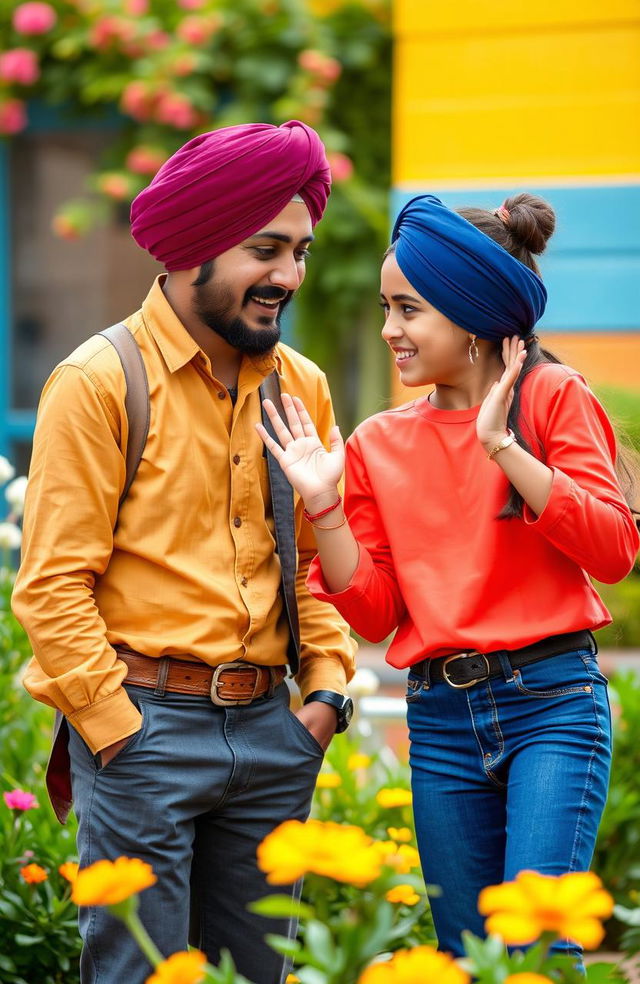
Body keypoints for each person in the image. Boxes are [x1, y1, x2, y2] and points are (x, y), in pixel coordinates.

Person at [12, 120, 356, 984]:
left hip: (275, 734)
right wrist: (118, 733)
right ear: (194, 249)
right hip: (143, 733)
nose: (289, 276)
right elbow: (53, 586)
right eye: (266, 250)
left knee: (258, 975)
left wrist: (324, 695)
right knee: (138, 975)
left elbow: (315, 565)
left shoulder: (302, 386)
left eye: (301, 252)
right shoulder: (99, 382)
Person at [256, 192, 640, 965]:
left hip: (551, 707)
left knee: (534, 946)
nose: (390, 330)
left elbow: (613, 550)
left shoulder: (553, 398)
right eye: (386, 308)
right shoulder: (377, 444)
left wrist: (503, 448)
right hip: (439, 722)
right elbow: (374, 612)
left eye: (409, 309)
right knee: (464, 958)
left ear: (472, 314)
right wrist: (325, 505)